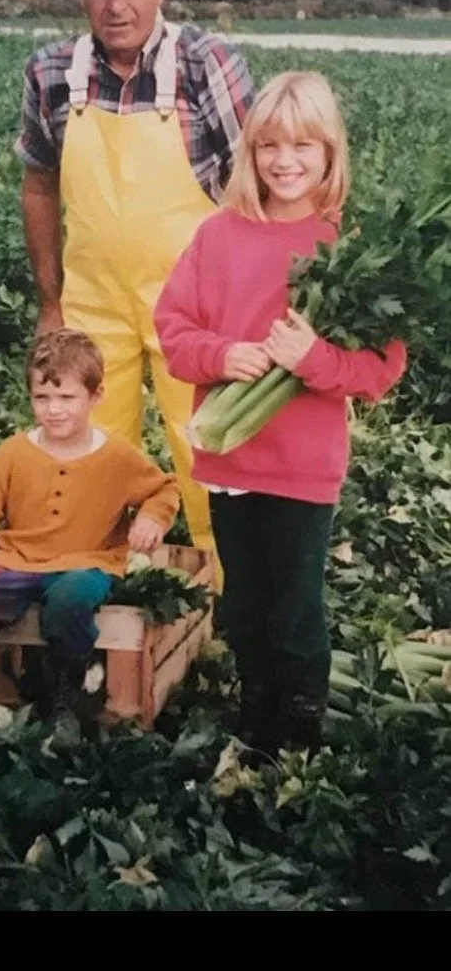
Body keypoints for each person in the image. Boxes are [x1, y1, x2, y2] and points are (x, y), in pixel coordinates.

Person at [154, 71, 407, 757]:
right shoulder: (220, 235)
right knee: (243, 603)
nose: (285, 160)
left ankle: (298, 733)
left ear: (331, 154)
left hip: (303, 467)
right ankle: (255, 710)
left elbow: (381, 369)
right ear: (249, 152)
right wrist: (220, 355)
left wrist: (313, 358)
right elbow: (171, 327)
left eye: (303, 145)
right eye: (269, 145)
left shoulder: (349, 245)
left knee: (295, 608)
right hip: (230, 462)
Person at [16, 0, 254, 566]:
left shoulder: (208, 66)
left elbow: (254, 192)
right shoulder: (52, 74)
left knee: (209, 452)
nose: (116, 4)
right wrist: (50, 302)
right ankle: (96, 592)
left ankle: (222, 600)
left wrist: (255, 309)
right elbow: (39, 184)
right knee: (87, 458)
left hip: (199, 311)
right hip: (95, 307)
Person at [0, 328, 179, 741]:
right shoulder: (14, 453)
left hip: (88, 559)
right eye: (42, 398)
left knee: (69, 602)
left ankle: (68, 695)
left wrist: (153, 516)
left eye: (67, 398)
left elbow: (164, 487)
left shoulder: (116, 455)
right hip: (19, 558)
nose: (54, 410)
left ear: (96, 396)